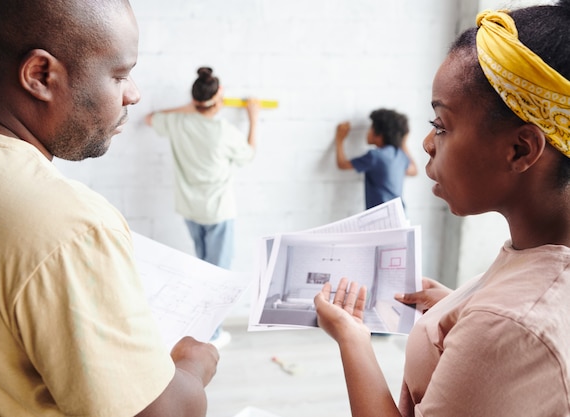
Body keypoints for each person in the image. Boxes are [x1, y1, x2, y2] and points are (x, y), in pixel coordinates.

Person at [0, 1, 218, 416]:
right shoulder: (69, 226)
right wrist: (193, 366)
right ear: (40, 75)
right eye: (119, 74)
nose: (134, 93)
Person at [314, 2, 570, 416]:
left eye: (441, 125)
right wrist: (458, 308)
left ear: (521, 149)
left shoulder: (507, 326)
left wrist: (352, 337)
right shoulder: (534, 260)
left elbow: (512, 332)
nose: (429, 143)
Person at [144, 67, 259, 347]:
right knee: (218, 277)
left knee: (203, 269)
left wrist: (189, 107)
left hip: (190, 210)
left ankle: (201, 329)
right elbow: (249, 154)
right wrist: (254, 118)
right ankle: (213, 335)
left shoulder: (178, 123)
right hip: (217, 212)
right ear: (218, 101)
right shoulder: (223, 131)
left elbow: (150, 119)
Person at [334, 109, 418, 209]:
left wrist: (339, 139)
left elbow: (342, 164)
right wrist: (403, 142)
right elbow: (414, 171)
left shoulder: (375, 156)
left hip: (382, 217)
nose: (368, 132)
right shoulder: (399, 154)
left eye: (371, 128)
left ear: (379, 134)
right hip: (400, 213)